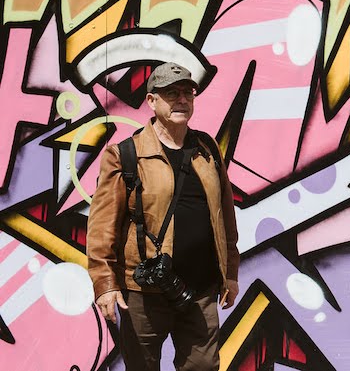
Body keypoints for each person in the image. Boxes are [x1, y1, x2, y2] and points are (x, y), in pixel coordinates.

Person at [87, 62, 240, 371]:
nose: (182, 100)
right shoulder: (126, 154)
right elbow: (102, 226)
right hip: (145, 293)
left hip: (200, 289)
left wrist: (231, 273)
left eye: (187, 92)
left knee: (204, 366)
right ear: (151, 100)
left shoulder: (207, 148)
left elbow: (224, 216)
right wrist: (106, 283)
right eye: (171, 93)